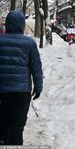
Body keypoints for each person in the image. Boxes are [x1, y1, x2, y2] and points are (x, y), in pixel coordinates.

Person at [0, 10, 43, 145]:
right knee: (17, 127)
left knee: (2, 126)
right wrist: (38, 87)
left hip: (1, 92)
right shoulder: (29, 43)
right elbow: (36, 67)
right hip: (21, 91)